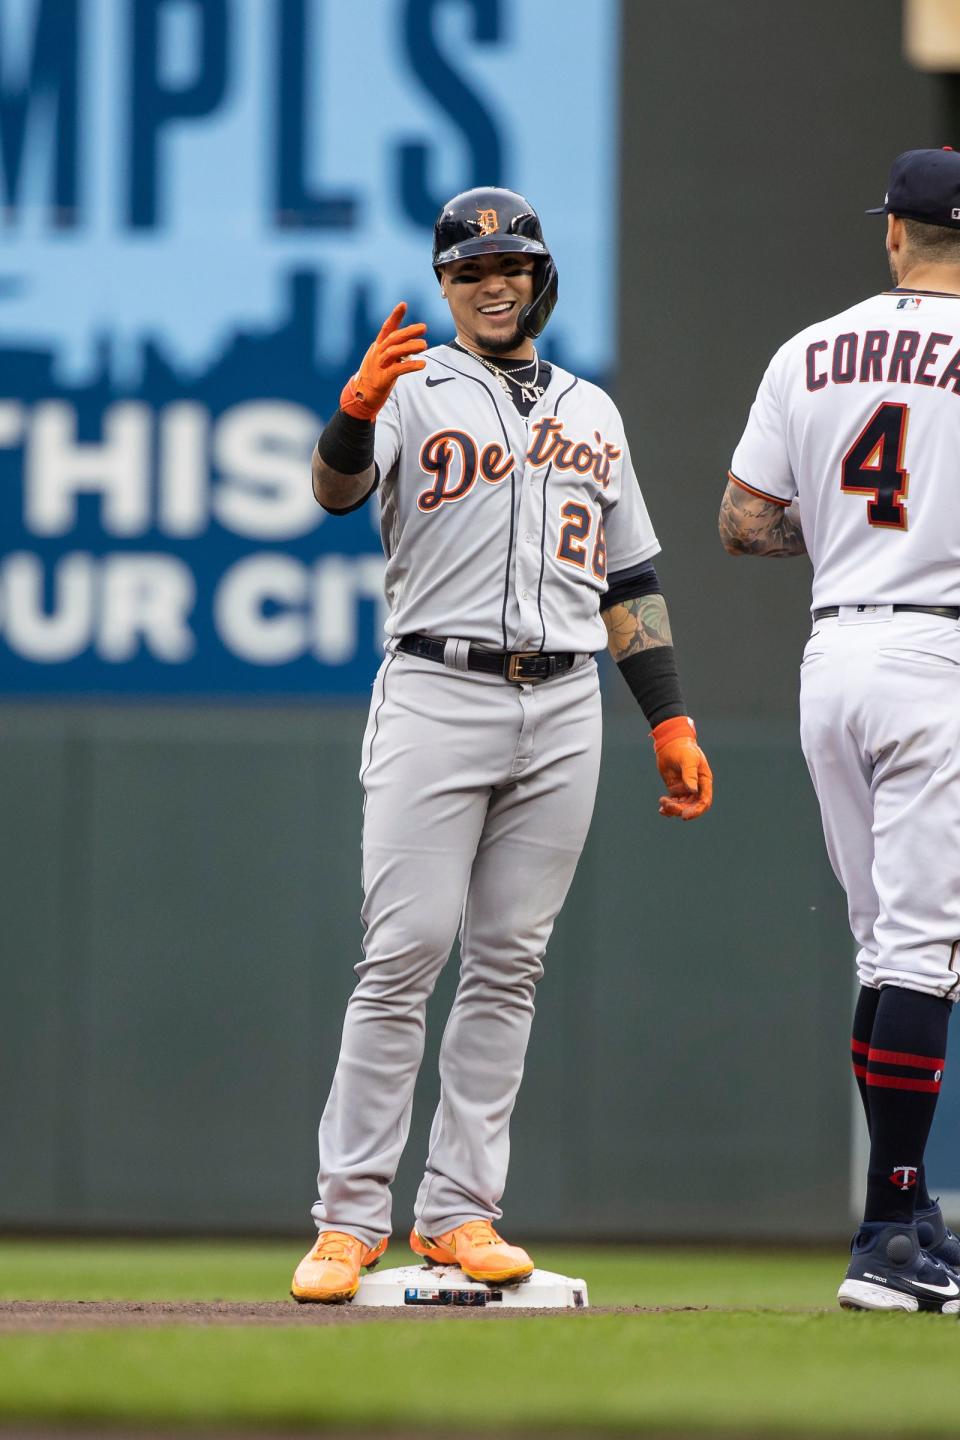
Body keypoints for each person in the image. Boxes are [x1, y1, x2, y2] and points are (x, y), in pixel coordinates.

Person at [292, 186, 713, 1304]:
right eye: (471, 269)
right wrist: (350, 411)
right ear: (444, 284)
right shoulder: (411, 389)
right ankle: (347, 1220)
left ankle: (460, 1214)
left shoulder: (594, 409)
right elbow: (333, 494)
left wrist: (665, 715)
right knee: (404, 956)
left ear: (538, 277)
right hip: (439, 684)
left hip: (567, 698)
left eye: (510, 266)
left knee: (509, 965)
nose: (492, 282)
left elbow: (627, 578)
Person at [721, 147, 960, 1313]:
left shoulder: (807, 350)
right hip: (941, 656)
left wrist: (863, 551)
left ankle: (908, 1218)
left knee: (882, 950)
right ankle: (888, 1234)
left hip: (834, 656)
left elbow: (743, 522)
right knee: (926, 953)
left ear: (894, 233)